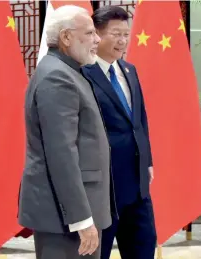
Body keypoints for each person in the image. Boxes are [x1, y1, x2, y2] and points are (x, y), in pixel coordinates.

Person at [18, 5, 112, 259]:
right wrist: (81, 220)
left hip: (73, 212)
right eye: (90, 33)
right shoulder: (57, 78)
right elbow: (62, 155)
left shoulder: (68, 71)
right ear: (66, 37)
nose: (97, 39)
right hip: (65, 217)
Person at [81, 6, 157, 259]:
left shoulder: (129, 70)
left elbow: (139, 120)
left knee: (142, 247)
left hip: (138, 186)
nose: (123, 41)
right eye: (116, 34)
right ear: (96, 35)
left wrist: (147, 161)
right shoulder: (82, 74)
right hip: (105, 187)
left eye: (126, 34)